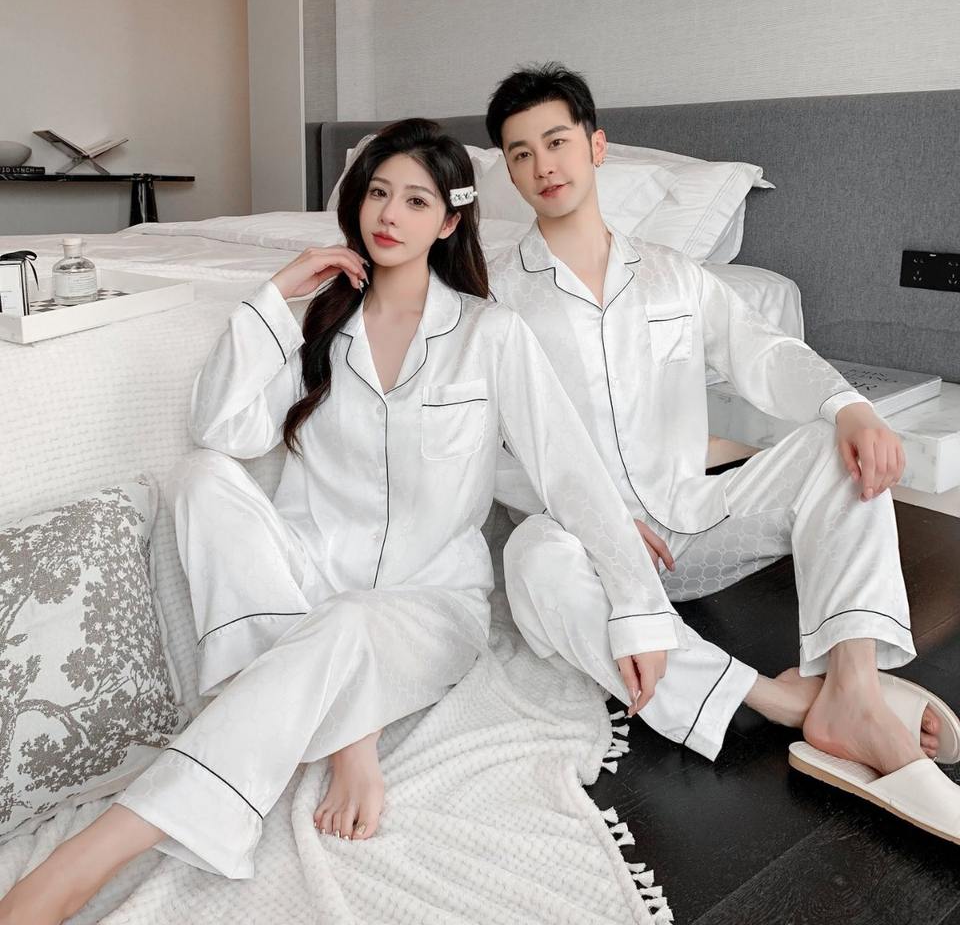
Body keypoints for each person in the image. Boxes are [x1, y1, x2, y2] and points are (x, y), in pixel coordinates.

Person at [0, 118, 683, 924]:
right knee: (201, 477)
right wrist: (274, 295)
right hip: (309, 577)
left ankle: (86, 860)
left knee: (351, 620)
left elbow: (569, 472)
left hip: (427, 606)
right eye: (378, 193)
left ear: (451, 221)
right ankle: (345, 735)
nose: (389, 214)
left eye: (416, 200)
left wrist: (638, 609)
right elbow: (223, 430)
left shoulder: (491, 335)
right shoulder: (321, 324)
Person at [485, 63, 950, 784]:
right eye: (521, 154)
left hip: (690, 529)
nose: (543, 165)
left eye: (556, 142)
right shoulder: (497, 298)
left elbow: (761, 350)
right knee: (530, 559)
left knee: (831, 450)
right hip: (584, 548)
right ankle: (777, 701)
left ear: (596, 146)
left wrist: (849, 406)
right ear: (511, 175)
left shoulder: (674, 275)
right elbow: (487, 447)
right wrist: (590, 519)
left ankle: (854, 688)